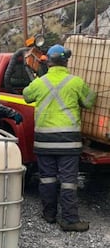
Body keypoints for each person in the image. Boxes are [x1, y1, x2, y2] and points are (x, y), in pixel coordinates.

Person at [23, 44, 96, 232]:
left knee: (47, 178)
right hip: (68, 142)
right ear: (65, 61)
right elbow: (89, 101)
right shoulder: (76, 82)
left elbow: (26, 96)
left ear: (49, 62)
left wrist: (37, 77)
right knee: (68, 181)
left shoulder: (40, 82)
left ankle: (49, 214)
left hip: (44, 142)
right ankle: (70, 220)